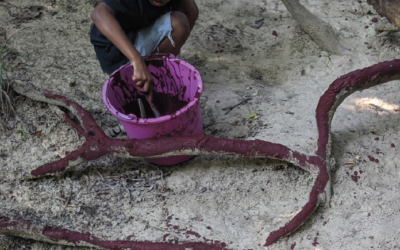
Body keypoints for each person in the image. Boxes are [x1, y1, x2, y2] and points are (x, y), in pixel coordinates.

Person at [90, 0, 198, 100]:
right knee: (179, 23)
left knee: (189, 8)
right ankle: (145, 76)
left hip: (138, 28)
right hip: (116, 50)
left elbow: (190, 11)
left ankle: (156, 69)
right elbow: (99, 14)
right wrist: (136, 59)